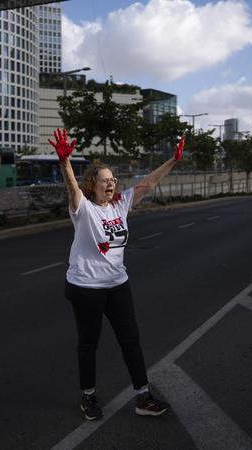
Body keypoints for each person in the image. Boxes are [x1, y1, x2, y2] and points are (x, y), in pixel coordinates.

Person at [48, 128, 184, 421]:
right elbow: (71, 188)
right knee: (89, 342)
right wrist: (65, 162)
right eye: (104, 181)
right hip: (85, 286)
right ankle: (88, 397)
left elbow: (149, 183)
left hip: (117, 284)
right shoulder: (83, 209)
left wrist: (172, 160)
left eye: (113, 180)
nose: (110, 184)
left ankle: (143, 396)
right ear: (92, 185)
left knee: (130, 340)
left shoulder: (120, 204)